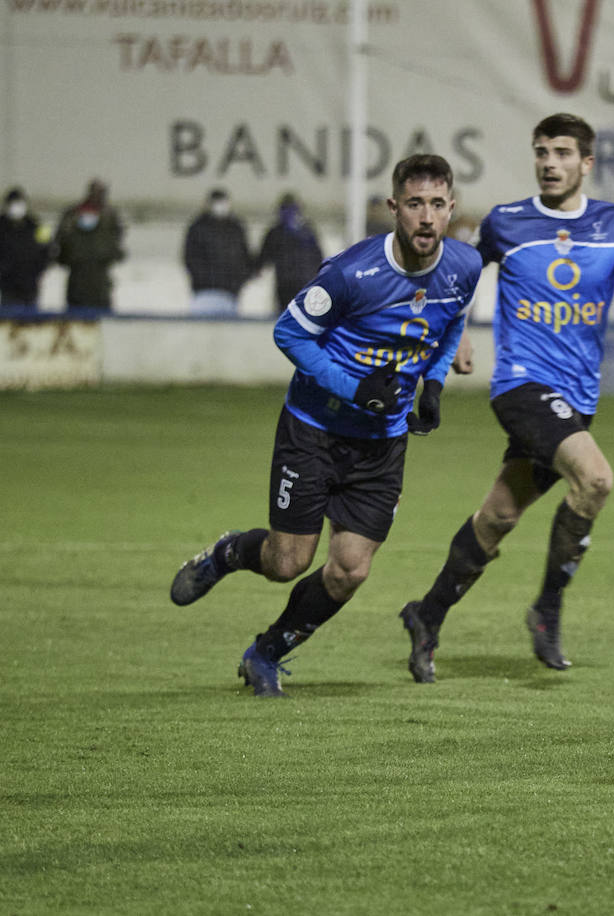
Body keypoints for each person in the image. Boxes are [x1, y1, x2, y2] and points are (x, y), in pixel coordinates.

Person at [167, 154, 482, 697]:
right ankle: (228, 553)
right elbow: (289, 334)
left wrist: (433, 384)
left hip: (382, 447)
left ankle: (266, 653)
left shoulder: (465, 266)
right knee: (288, 562)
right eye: (414, 205)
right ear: (393, 209)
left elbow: (450, 321)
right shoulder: (350, 273)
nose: (426, 218)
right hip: (313, 431)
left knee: (349, 571)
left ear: (451, 208)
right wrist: (355, 387)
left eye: (436, 205)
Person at [396, 113, 614, 683]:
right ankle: (546, 608)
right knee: (594, 479)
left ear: (586, 163)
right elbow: (454, 276)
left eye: (563, 153)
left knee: (496, 517)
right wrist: (458, 332)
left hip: (578, 398)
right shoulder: (506, 222)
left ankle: (426, 614)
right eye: (542, 151)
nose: (549, 162)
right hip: (521, 385)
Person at [54, 179, 125, 311]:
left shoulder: (110, 216)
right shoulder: (72, 215)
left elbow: (117, 244)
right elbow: (62, 244)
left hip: (99, 280)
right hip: (79, 279)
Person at [183, 188, 255, 316]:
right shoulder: (198, 227)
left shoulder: (236, 228)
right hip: (203, 293)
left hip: (230, 295)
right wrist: (204, 279)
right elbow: (190, 259)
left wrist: (237, 282)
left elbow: (245, 258)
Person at [256, 193, 325, 312]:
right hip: (294, 284)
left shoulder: (304, 231)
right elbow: (318, 258)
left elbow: (263, 259)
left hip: (295, 284)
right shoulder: (304, 231)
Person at [0, 187, 52, 311]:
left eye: (19, 203)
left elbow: (48, 250)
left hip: (30, 284)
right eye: (13, 203)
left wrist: (40, 270)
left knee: (30, 323)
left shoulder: (37, 225)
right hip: (7, 284)